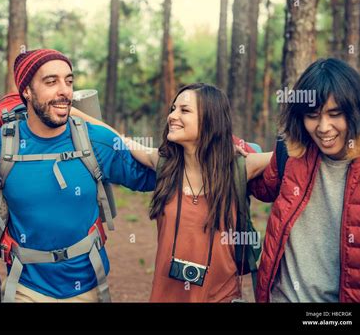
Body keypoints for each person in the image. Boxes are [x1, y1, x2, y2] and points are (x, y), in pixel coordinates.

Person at [0, 49, 156, 303]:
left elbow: (148, 177)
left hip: (87, 285)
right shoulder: (0, 146)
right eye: (51, 81)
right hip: (25, 288)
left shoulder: (93, 139)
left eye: (69, 81)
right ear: (27, 92)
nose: (64, 89)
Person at [72, 83, 273, 302]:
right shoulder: (164, 164)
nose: (172, 116)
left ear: (210, 120)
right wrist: (74, 112)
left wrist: (232, 142)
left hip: (221, 296)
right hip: (166, 296)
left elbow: (291, 152)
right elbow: (119, 140)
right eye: (173, 109)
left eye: (184, 110)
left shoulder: (239, 167)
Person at [248, 58, 360, 302]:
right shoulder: (292, 153)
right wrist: (235, 153)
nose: (324, 127)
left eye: (335, 114)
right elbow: (260, 186)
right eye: (313, 116)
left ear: (355, 111)